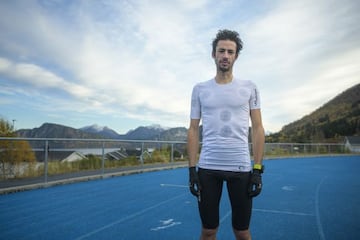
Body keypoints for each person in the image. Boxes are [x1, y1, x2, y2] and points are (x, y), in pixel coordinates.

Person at [187, 29, 265, 240]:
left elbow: (257, 128)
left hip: (240, 168)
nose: (225, 56)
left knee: (242, 231)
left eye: (230, 52)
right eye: (221, 51)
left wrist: (257, 169)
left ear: (236, 56)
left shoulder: (249, 87)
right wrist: (192, 168)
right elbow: (193, 129)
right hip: (208, 168)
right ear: (214, 54)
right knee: (209, 230)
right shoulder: (200, 89)